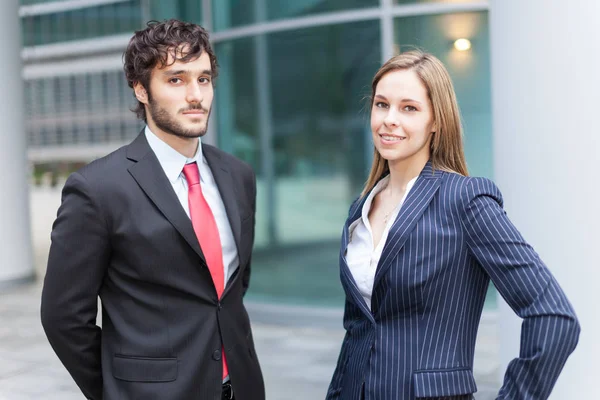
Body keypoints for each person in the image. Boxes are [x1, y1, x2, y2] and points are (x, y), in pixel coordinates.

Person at [326, 51, 580, 400]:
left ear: (436, 121)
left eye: (409, 108)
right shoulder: (362, 208)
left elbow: (554, 317)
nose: (389, 119)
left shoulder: (466, 200)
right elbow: (357, 332)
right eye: (382, 105)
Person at [40, 19, 264, 400]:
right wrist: (118, 391)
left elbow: (229, 292)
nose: (196, 95)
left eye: (204, 79)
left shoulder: (237, 175)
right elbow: (63, 317)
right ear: (141, 89)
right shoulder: (97, 189)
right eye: (176, 80)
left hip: (241, 387)